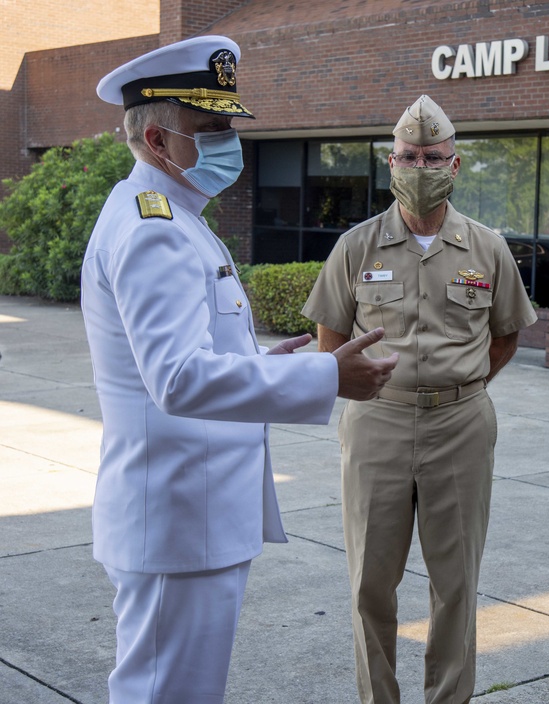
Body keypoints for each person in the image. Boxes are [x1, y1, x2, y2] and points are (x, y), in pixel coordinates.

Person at [82, 36, 398, 704]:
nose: (231, 140)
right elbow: (177, 379)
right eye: (213, 127)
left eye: (231, 124)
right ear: (159, 140)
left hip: (188, 515)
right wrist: (324, 377)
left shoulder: (173, 217)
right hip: (179, 519)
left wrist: (259, 363)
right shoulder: (155, 229)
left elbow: (182, 363)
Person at [302, 95, 537, 704]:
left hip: (461, 425)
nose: (420, 165)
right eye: (409, 156)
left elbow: (506, 337)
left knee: (456, 585)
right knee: (369, 586)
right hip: (376, 424)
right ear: (391, 164)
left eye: (433, 156)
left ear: (454, 166)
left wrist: (457, 387)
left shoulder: (486, 249)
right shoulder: (357, 247)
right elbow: (333, 341)